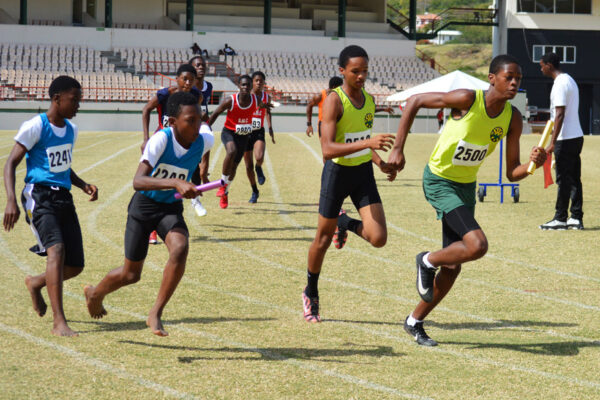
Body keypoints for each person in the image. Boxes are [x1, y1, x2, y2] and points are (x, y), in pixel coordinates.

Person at [387, 54, 547, 346]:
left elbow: (512, 172)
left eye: (518, 79)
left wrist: (533, 164)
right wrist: (398, 148)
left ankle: (414, 321)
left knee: (452, 268)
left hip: (465, 187)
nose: (514, 83)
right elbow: (414, 101)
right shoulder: (467, 99)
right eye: (509, 77)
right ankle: (426, 260)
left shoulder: (512, 118)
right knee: (477, 245)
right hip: (439, 180)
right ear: (492, 79)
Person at [84, 91, 214, 337]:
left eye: (200, 119)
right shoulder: (160, 140)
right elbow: (138, 181)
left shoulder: (205, 139)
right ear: (172, 122)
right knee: (131, 275)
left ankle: (156, 312)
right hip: (143, 207)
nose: (197, 126)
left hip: (170, 208)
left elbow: (201, 151)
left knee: (180, 248)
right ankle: (95, 293)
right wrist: (176, 182)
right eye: (190, 120)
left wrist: (197, 180)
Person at [303, 45, 397, 323]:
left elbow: (361, 138)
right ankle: (310, 291)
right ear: (342, 71)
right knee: (321, 240)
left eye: (365, 71)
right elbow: (328, 149)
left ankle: (343, 222)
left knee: (378, 238)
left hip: (363, 173)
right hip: (337, 174)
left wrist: (381, 163)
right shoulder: (334, 100)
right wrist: (368, 142)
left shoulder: (369, 100)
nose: (361, 76)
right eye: (356, 71)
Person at [3, 76, 98, 337]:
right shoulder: (36, 126)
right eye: (74, 100)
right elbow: (10, 163)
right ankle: (59, 322)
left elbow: (63, 166)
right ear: (57, 99)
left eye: (79, 100)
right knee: (56, 250)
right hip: (39, 196)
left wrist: (83, 185)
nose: (78, 105)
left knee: (75, 266)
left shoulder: (71, 130)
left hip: (63, 197)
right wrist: (11, 200)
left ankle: (36, 282)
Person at [141, 63, 203, 243]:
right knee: (152, 179)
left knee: (182, 176)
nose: (188, 83)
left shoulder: (196, 97)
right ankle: (150, 228)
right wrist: (146, 138)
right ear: (177, 79)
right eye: (184, 79)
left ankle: (184, 210)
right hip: (163, 143)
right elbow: (146, 109)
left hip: (183, 143)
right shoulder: (165, 94)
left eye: (191, 80)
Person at [208, 75, 269, 209]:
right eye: (243, 85)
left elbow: (262, 105)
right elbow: (216, 112)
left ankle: (225, 192)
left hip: (244, 136)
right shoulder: (231, 100)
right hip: (229, 133)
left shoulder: (256, 99)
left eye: (248, 85)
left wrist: (267, 106)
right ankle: (222, 184)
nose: (245, 87)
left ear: (251, 86)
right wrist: (206, 128)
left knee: (234, 167)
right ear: (238, 86)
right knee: (231, 151)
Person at [538, 52, 584, 230]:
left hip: (565, 138)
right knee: (574, 178)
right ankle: (576, 217)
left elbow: (559, 114)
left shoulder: (559, 84)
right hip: (576, 136)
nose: (541, 69)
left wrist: (552, 142)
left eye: (542, 65)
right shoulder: (570, 80)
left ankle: (560, 218)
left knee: (563, 179)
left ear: (549, 65)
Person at [243, 71, 275, 203]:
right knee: (248, 166)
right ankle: (254, 191)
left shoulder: (267, 97)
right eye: (256, 80)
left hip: (258, 131)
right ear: (252, 82)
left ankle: (259, 167)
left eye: (261, 81)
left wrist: (270, 127)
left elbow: (268, 112)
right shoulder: (246, 96)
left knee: (259, 157)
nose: (258, 83)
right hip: (245, 131)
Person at [188, 55, 214, 217]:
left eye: (203, 65)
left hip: (202, 126)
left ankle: (195, 199)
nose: (201, 67)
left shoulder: (208, 86)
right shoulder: (186, 87)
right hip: (187, 126)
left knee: (198, 162)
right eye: (197, 65)